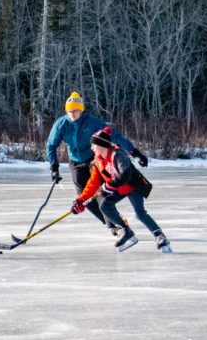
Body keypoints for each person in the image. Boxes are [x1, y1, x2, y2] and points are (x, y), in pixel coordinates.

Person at [45, 92, 148, 235]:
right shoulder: (61, 124)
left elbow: (114, 135)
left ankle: (115, 222)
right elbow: (51, 145)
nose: (72, 114)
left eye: (75, 111)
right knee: (83, 198)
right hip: (76, 162)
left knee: (100, 193)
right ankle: (112, 225)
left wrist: (134, 151)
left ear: (81, 110)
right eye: (69, 111)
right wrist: (54, 167)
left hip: (94, 160)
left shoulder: (91, 122)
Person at [71, 126, 170, 252]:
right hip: (118, 188)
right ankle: (126, 231)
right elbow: (93, 183)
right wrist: (80, 200)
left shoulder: (117, 155)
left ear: (101, 145)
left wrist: (109, 185)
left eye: (93, 145)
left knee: (140, 213)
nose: (91, 148)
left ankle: (159, 236)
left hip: (132, 186)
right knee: (104, 206)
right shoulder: (97, 161)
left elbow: (125, 175)